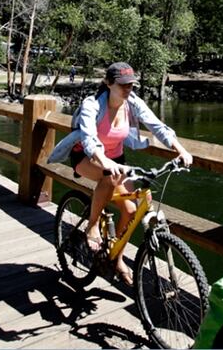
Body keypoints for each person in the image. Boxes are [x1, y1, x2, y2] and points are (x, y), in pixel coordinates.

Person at [47, 62, 193, 286]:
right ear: (108, 83)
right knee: (108, 176)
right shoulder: (92, 104)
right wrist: (103, 159)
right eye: (123, 85)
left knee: (132, 209)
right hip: (86, 157)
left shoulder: (132, 103)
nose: (128, 89)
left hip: (116, 160)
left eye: (131, 85)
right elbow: (87, 138)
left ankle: (117, 258)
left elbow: (157, 126)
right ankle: (92, 225)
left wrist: (180, 149)